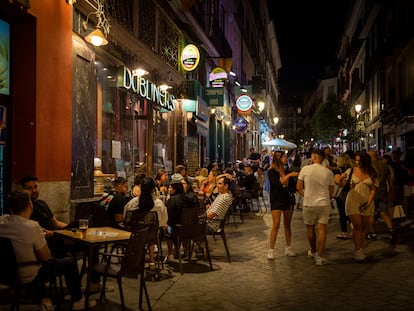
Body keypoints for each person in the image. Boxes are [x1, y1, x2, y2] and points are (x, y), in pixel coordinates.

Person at [0, 190, 96, 310]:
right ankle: (78, 300)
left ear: (10, 208)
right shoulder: (32, 226)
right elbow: (45, 257)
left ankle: (44, 298)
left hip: (4, 273)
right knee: (69, 262)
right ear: (30, 205)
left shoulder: (2, 221)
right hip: (27, 273)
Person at [297, 149, 334, 266]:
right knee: (322, 229)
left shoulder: (305, 169)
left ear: (313, 157)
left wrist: (306, 194)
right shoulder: (328, 172)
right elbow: (331, 191)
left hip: (309, 203)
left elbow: (298, 187)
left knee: (310, 229)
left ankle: (313, 250)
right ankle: (321, 256)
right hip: (323, 203)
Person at [123, 177, 168, 270]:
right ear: (153, 189)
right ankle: (152, 261)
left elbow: (125, 217)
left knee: (143, 233)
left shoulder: (133, 203)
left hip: (135, 235)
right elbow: (163, 221)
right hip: (152, 236)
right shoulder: (158, 204)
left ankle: (136, 260)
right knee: (151, 234)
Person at [344, 151, 378, 262]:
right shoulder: (351, 171)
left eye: (360, 160)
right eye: (356, 160)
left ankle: (360, 249)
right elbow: (341, 182)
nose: (357, 163)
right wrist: (339, 179)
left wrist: (368, 202)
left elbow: (373, 189)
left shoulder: (372, 172)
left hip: (367, 201)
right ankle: (358, 250)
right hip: (353, 199)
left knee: (363, 227)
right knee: (357, 225)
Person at [267, 151, 299, 260]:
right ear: (279, 158)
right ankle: (271, 250)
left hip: (287, 199)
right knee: (276, 224)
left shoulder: (286, 170)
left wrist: (289, 178)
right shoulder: (272, 171)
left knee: (287, 224)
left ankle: (288, 248)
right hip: (276, 199)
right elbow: (278, 184)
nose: (286, 158)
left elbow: (291, 185)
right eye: (284, 156)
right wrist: (289, 176)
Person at [367, 150, 395, 242]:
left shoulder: (368, 167)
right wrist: (391, 192)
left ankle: (372, 233)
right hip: (383, 192)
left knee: (371, 213)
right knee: (384, 212)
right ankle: (391, 230)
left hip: (372, 192)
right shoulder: (385, 166)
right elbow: (390, 181)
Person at [333, 153, 353, 240]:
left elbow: (338, 182)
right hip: (351, 193)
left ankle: (344, 232)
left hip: (342, 194)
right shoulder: (352, 170)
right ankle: (354, 229)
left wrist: (341, 178)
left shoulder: (339, 170)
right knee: (350, 213)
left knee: (342, 214)